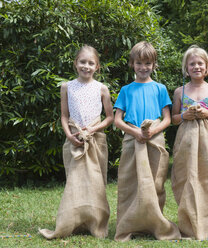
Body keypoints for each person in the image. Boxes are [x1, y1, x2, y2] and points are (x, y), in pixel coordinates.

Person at [39, 45, 113, 239]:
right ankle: (71, 222)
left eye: (91, 63)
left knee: (96, 182)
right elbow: (64, 116)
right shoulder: (67, 87)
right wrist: (69, 135)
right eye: (82, 62)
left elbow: (109, 118)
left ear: (97, 66)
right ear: (75, 63)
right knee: (75, 182)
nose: (86, 66)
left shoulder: (102, 88)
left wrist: (93, 129)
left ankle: (96, 223)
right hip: (74, 140)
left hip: (95, 140)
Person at [113, 41, 181, 242]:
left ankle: (153, 223)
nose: (143, 67)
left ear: (154, 65)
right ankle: (128, 224)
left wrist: (152, 131)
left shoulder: (160, 89)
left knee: (155, 182)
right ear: (132, 64)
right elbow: (117, 120)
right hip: (132, 138)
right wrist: (135, 133)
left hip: (155, 139)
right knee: (130, 182)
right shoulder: (126, 90)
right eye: (139, 63)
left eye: (148, 63)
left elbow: (167, 118)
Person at [171, 45, 208, 240]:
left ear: (207, 66)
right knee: (186, 177)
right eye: (192, 63)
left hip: (207, 139)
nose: (196, 67)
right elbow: (173, 119)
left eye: (200, 63)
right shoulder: (180, 91)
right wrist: (185, 115)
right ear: (186, 67)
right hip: (186, 138)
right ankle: (188, 223)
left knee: (206, 177)